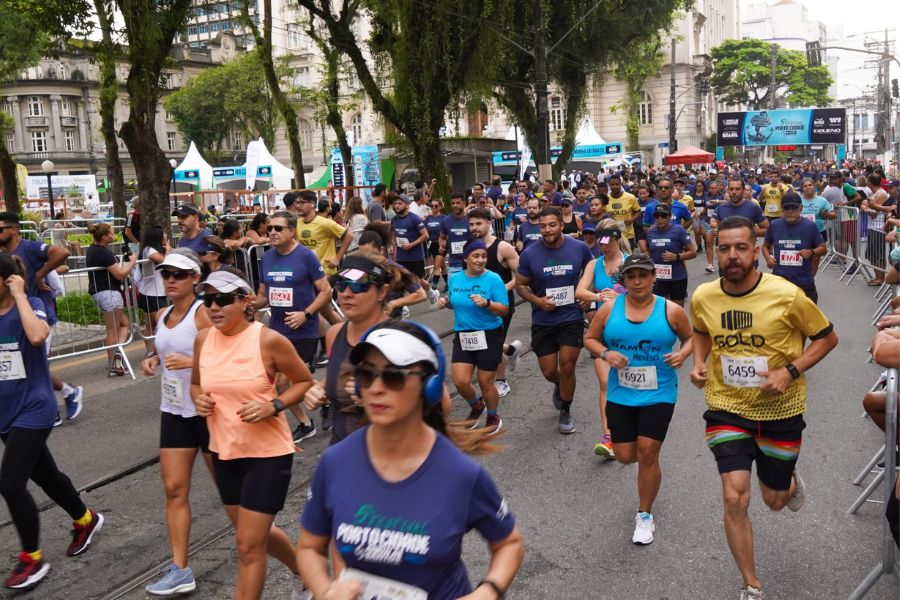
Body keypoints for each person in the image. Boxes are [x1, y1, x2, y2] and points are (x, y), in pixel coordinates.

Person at [296, 319, 524, 600]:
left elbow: (509, 543)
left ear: (428, 386)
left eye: (393, 376)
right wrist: (326, 589)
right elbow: (309, 548)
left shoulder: (460, 474)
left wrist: (488, 592)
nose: (376, 388)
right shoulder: (335, 462)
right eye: (366, 375)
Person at [689, 216, 838, 600]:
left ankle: (786, 483)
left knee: (773, 500)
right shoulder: (704, 296)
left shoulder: (786, 294)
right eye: (724, 249)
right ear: (716, 252)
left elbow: (827, 338)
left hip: (780, 410)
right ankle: (751, 585)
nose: (733, 256)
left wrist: (791, 370)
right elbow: (701, 331)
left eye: (741, 248)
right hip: (726, 407)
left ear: (756, 252)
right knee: (734, 495)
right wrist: (699, 363)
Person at [191, 269, 314, 600]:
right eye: (207, 300)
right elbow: (196, 384)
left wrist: (273, 405)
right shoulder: (203, 339)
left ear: (245, 302)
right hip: (225, 452)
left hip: (268, 455)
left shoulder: (267, 340)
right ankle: (306, 572)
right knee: (254, 535)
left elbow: (304, 382)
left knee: (247, 546)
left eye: (222, 300)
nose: (213, 307)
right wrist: (198, 399)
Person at [0, 253, 104, 590]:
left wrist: (19, 294)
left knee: (11, 483)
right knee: (46, 475)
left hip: (34, 408)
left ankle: (32, 558)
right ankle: (86, 519)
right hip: (5, 410)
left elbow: (36, 336)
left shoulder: (29, 304)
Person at [584, 253, 692, 545]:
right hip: (622, 395)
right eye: (631, 276)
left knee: (647, 452)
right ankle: (646, 471)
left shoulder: (671, 311)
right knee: (625, 456)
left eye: (643, 275)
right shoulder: (609, 309)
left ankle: (645, 515)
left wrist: (683, 353)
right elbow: (590, 338)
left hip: (660, 393)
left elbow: (692, 337)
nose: (637, 281)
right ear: (624, 280)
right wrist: (606, 353)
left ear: (654, 277)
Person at [140, 250, 214, 596]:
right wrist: (153, 359)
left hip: (207, 411)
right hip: (173, 410)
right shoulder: (163, 314)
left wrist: (190, 362)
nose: (170, 280)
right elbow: (164, 348)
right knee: (174, 489)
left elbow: (226, 356)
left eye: (179, 274)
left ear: (195, 278)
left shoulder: (204, 314)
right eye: (166, 274)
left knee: (232, 493)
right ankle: (180, 569)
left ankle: (261, 546)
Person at [255, 211, 332, 444]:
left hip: (303, 330)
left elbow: (326, 291)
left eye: (278, 228)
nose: (273, 233)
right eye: (270, 229)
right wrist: (246, 305)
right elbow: (263, 295)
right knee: (281, 382)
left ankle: (325, 398)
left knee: (290, 381)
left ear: (292, 231)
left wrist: (306, 314)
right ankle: (305, 422)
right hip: (276, 330)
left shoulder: (306, 256)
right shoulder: (266, 258)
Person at [516, 207, 593, 434]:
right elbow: (520, 285)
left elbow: (593, 274)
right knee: (550, 371)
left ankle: (566, 410)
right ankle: (559, 385)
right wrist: (537, 301)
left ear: (561, 224)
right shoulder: (530, 253)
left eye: (552, 225)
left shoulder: (579, 248)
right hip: (543, 319)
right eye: (543, 226)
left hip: (571, 316)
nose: (547, 230)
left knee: (568, 365)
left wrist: (588, 298)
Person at [0, 212, 82, 424]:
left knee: (35, 364)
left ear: (14, 229)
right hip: (14, 318)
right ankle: (63, 394)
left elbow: (61, 252)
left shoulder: (29, 247)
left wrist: (39, 274)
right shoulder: (3, 255)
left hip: (39, 314)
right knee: (19, 365)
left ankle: (56, 401)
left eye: (1, 229)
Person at [439, 239, 510, 433]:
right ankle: (477, 405)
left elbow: (504, 309)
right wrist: (447, 303)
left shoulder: (493, 279)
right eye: (476, 256)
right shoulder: (455, 279)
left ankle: (493, 416)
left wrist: (487, 303)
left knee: (486, 381)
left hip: (489, 334)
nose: (480, 260)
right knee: (461, 381)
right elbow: (455, 303)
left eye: (484, 256)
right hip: (463, 334)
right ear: (466, 258)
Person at [575, 218, 630, 458]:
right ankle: (609, 438)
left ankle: (633, 429)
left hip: (631, 331)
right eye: (600, 243)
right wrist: (600, 297)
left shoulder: (631, 263)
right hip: (602, 332)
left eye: (608, 242)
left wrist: (619, 298)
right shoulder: (593, 263)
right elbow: (579, 291)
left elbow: (647, 295)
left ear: (618, 239)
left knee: (630, 383)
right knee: (606, 383)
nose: (603, 247)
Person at [467, 208, 523, 399]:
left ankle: (501, 381)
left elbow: (522, 274)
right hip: (476, 304)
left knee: (492, 342)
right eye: (472, 224)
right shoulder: (470, 246)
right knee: (484, 341)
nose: (474, 228)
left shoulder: (503, 247)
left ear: (489, 223)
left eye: (478, 223)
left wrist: (504, 288)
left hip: (500, 305)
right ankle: (510, 350)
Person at [85, 223, 137, 376]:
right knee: (112, 330)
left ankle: (117, 356)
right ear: (104, 236)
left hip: (102, 293)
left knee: (124, 323)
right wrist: (132, 262)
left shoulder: (93, 249)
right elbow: (120, 274)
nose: (114, 235)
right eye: (112, 233)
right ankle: (114, 362)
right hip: (108, 294)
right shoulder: (102, 252)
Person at [762, 194, 826, 304]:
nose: (790, 211)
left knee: (807, 320)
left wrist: (811, 252)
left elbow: (823, 249)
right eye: (787, 208)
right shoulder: (774, 225)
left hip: (803, 283)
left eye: (794, 208)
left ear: (801, 208)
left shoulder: (810, 226)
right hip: (779, 282)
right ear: (782, 209)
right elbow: (765, 246)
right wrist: (768, 258)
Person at [639, 202, 696, 306]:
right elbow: (647, 249)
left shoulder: (679, 230)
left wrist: (676, 257)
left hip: (677, 276)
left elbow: (693, 253)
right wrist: (647, 260)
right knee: (660, 308)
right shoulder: (651, 231)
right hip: (658, 277)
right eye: (657, 216)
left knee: (677, 308)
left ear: (670, 216)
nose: (660, 218)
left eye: (663, 215)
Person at [390, 193, 439, 304]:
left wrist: (411, 245)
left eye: (400, 203)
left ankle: (431, 292)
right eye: (395, 203)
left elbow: (425, 235)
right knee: (400, 281)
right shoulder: (394, 220)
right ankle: (402, 307)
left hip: (415, 257)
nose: (397, 206)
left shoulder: (414, 219)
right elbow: (394, 234)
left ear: (407, 205)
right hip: (401, 257)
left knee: (417, 280)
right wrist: (392, 247)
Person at [134, 225, 171, 354]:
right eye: (163, 234)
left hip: (156, 292)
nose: (166, 236)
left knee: (151, 324)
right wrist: (168, 249)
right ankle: (155, 351)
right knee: (163, 321)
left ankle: (152, 351)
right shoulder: (149, 250)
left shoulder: (156, 249)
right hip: (151, 293)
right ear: (157, 237)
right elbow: (164, 261)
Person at [439, 191, 472, 277]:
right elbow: (442, 237)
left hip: (470, 263)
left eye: (458, 203)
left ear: (464, 203)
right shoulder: (446, 221)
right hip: (454, 264)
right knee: (454, 290)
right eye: (453, 203)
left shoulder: (471, 220)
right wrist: (441, 245)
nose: (455, 205)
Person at [607, 174, 641, 247]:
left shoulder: (630, 197)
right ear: (609, 185)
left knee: (628, 257)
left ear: (621, 184)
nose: (615, 186)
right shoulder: (606, 199)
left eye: (617, 184)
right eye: (612, 184)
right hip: (611, 235)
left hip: (627, 235)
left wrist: (632, 219)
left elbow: (638, 211)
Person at [424, 198, 447, 289]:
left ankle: (434, 286)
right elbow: (424, 230)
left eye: (436, 206)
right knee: (442, 264)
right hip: (430, 244)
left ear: (440, 207)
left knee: (437, 265)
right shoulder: (428, 218)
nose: (433, 207)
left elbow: (447, 232)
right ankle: (448, 284)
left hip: (440, 244)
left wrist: (444, 243)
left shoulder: (444, 218)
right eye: (432, 206)